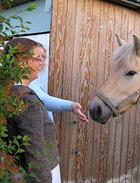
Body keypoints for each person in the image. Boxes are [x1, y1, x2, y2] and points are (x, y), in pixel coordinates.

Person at [6, 38, 88, 183]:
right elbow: (35, 151)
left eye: (43, 58)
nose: (42, 63)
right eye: (38, 58)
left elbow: (44, 99)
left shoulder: (10, 91)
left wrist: (71, 105)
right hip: (41, 172)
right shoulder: (26, 99)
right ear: (22, 61)